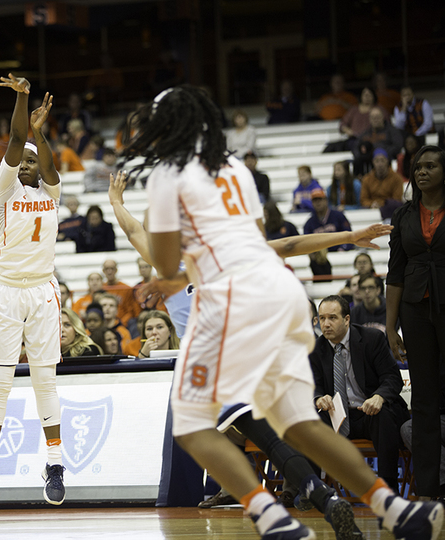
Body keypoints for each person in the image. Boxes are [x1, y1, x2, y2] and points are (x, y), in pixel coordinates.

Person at [120, 85, 441, 539]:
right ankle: (395, 509)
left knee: (191, 426)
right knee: (300, 425)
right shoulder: (233, 168)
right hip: (281, 295)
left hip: (229, 306)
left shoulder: (167, 176)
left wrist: (162, 280)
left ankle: (273, 521)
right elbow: (268, 245)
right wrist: (346, 237)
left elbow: (170, 266)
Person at [0, 77, 67, 509]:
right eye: (23, 161)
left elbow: (47, 163)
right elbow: (15, 139)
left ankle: (55, 464)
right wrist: (22, 99)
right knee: (1, 383)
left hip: (43, 291)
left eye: (33, 160)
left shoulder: (51, 190)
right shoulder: (4, 191)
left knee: (45, 380)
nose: (28, 163)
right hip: (7, 291)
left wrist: (41, 133)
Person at [386, 145, 445, 501]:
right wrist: (391, 327)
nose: (422, 172)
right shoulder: (404, 216)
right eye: (417, 167)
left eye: (431, 166)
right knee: (423, 399)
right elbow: (394, 275)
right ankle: (426, 489)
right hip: (414, 310)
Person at [311, 296, 409, 493]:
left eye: (332, 318)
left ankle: (388, 488)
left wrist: (379, 396)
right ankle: (313, 490)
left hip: (369, 413)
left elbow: (392, 378)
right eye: (322, 318)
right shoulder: (316, 348)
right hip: (337, 416)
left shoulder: (372, 338)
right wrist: (319, 398)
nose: (326, 324)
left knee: (383, 415)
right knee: (308, 419)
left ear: (347, 319)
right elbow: (313, 386)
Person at [360, 148, 405, 218]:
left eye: (382, 160)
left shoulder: (397, 178)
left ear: (387, 161)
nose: (380, 164)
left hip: (390, 211)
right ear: (373, 162)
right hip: (371, 210)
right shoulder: (367, 179)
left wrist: (381, 204)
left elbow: (397, 199)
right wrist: (372, 204)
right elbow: (363, 199)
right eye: (377, 161)